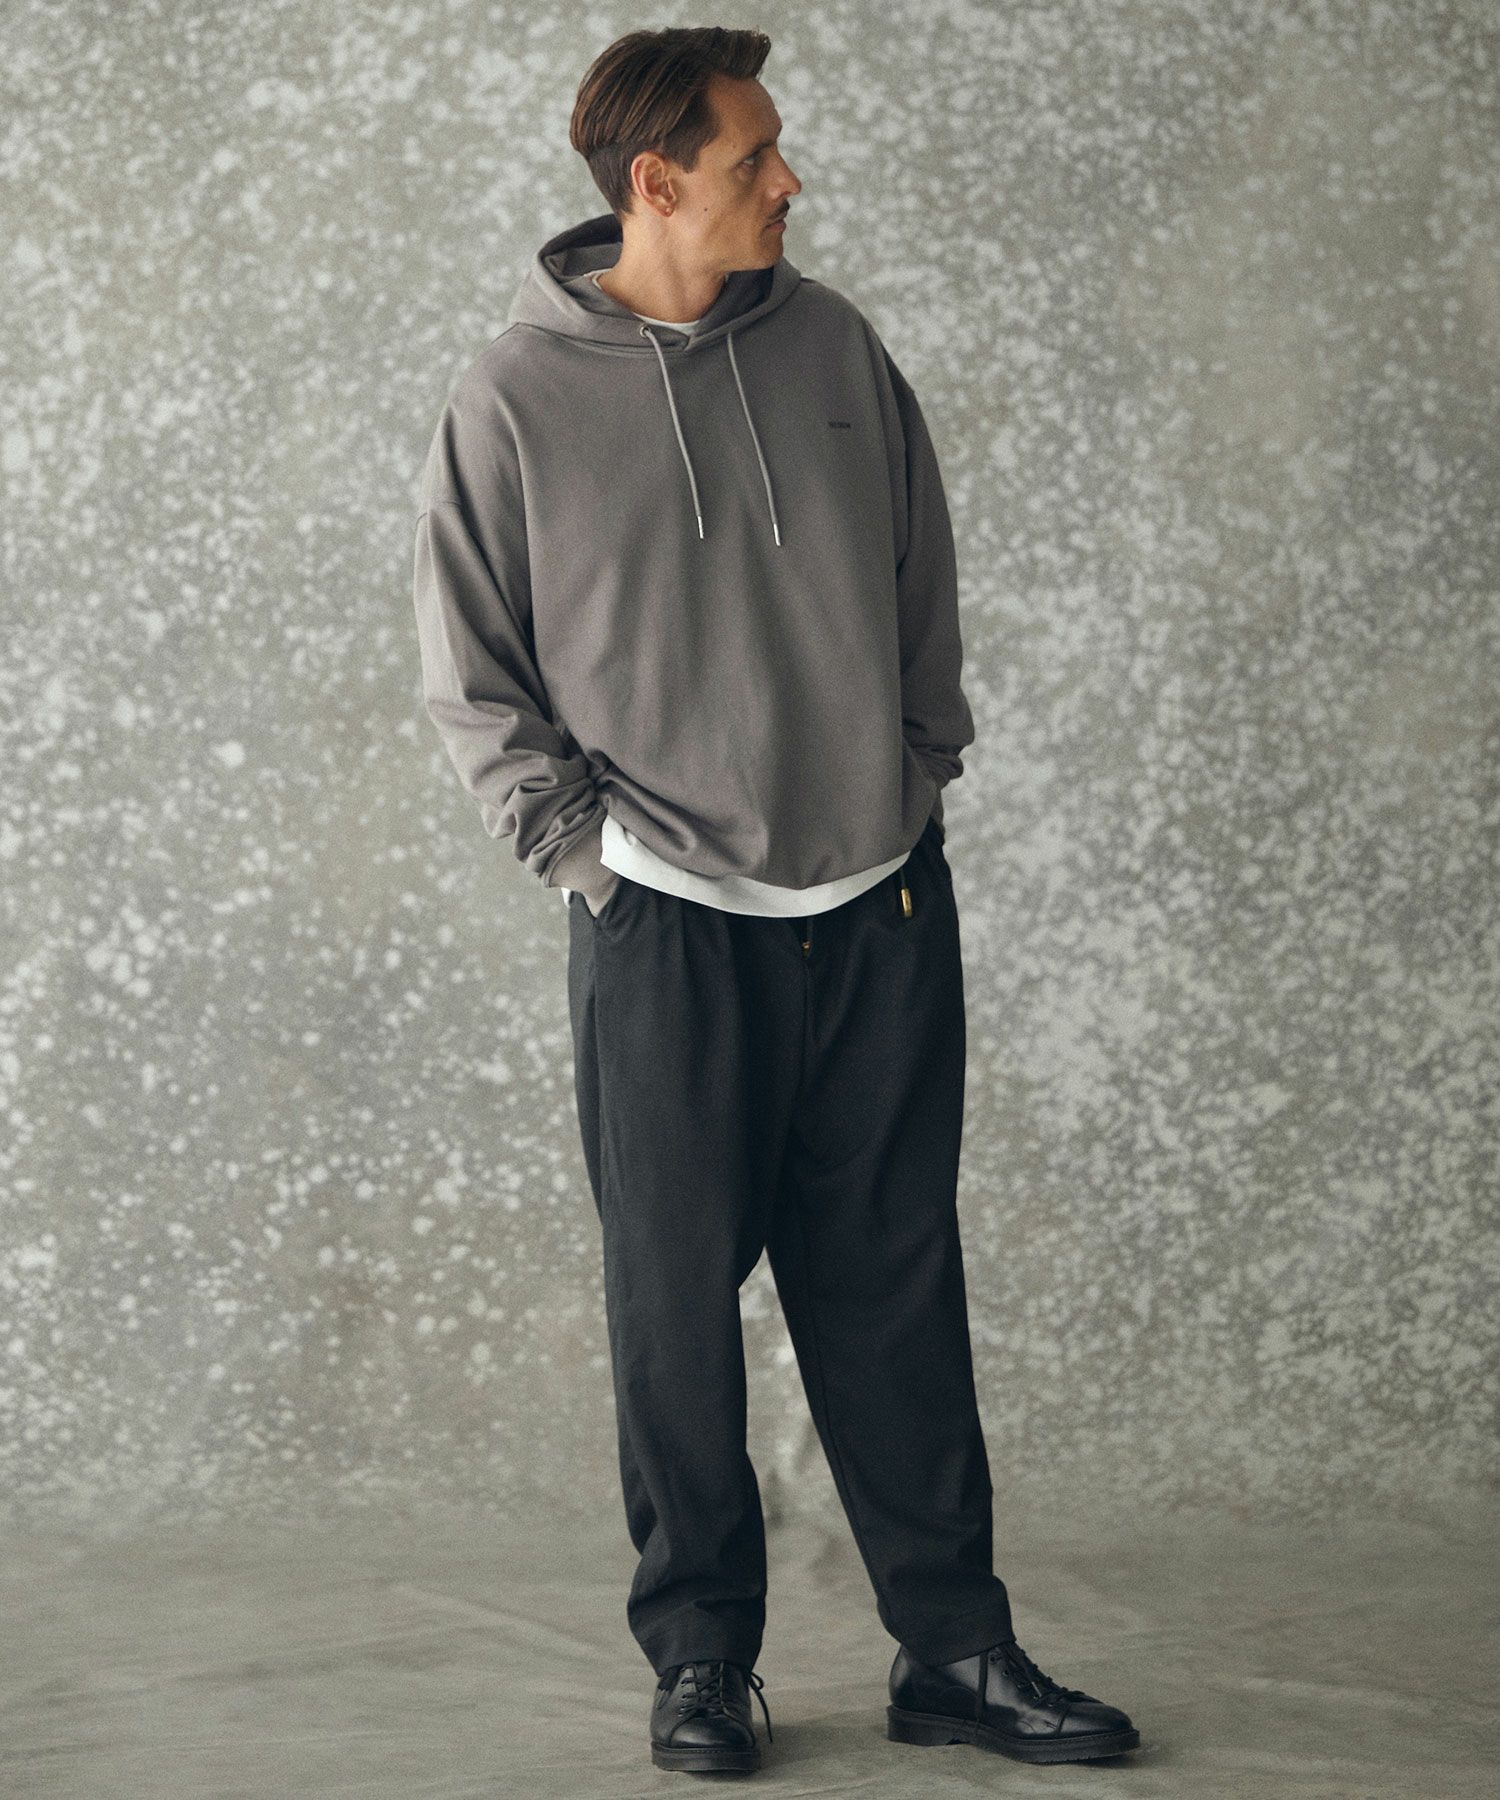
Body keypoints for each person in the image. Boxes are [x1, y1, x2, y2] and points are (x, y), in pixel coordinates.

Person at [412, 24, 1140, 1778]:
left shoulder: (834, 348)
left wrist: (917, 774)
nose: (790, 180)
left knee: (896, 1287)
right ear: (657, 184)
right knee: (674, 1313)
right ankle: (701, 1661)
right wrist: (588, 864)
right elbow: (475, 676)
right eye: (757, 158)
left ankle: (953, 1652)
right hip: (667, 926)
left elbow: (919, 571)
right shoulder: (513, 400)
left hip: (878, 910)